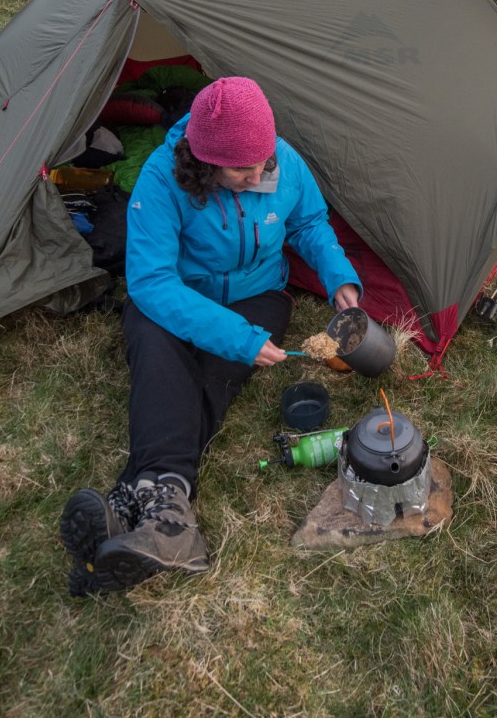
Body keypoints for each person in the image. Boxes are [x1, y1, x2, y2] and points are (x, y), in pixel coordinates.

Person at [60, 76, 361, 595]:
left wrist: (340, 279)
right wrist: (236, 336)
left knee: (207, 379)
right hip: (177, 296)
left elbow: (310, 223)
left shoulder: (282, 161)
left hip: (259, 296)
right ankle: (170, 516)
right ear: (206, 163)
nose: (258, 175)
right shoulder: (162, 179)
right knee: (159, 354)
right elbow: (152, 281)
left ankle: (135, 498)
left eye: (263, 162)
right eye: (242, 169)